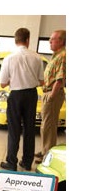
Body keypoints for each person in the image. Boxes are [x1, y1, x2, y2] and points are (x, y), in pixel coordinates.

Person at [0, 28, 45, 172]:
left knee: (14, 129)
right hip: (31, 95)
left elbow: (2, 83)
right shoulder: (37, 57)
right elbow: (42, 81)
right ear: (28, 40)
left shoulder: (9, 58)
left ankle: (11, 162)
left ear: (15, 40)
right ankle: (26, 162)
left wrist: (14, 79)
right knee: (29, 129)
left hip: (16, 96)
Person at [35, 30, 66, 164]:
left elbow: (59, 79)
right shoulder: (56, 55)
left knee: (48, 126)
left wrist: (52, 96)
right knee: (46, 125)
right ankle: (45, 150)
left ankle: (47, 155)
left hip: (53, 94)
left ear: (61, 41)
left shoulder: (63, 56)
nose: (50, 41)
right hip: (48, 92)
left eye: (53, 39)